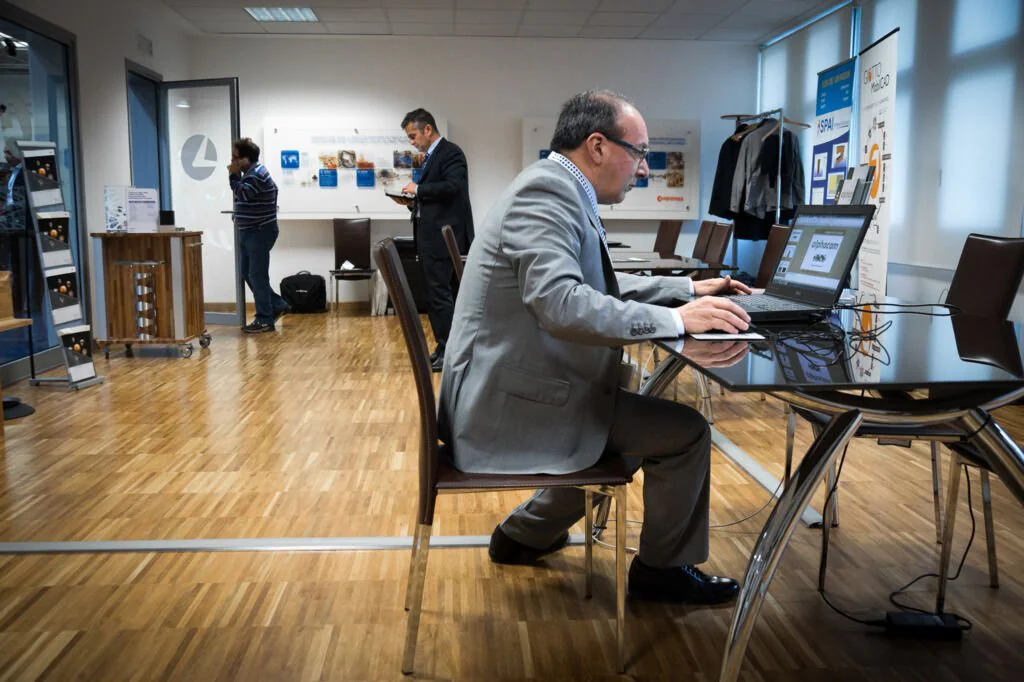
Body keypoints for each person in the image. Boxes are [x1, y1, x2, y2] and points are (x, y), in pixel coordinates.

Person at [438, 90, 753, 604]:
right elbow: (561, 303)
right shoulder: (547, 192)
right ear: (599, 146)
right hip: (500, 408)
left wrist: (687, 290)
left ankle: (525, 533)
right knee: (684, 432)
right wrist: (676, 319)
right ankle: (661, 574)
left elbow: (593, 284)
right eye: (640, 153)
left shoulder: (557, 187)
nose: (644, 169)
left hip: (506, 389)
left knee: (631, 426)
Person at [400, 108, 474, 372]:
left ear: (428, 130)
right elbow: (440, 198)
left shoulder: (450, 152)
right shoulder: (432, 156)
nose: (412, 142)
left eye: (413, 136)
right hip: (432, 237)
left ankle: (449, 350)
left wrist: (419, 189)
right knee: (437, 295)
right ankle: (445, 348)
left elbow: (454, 187)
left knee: (441, 296)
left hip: (444, 239)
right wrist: (413, 201)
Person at [228, 137, 289, 334]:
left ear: (246, 159)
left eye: (236, 158)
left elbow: (243, 194)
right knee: (248, 272)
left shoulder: (256, 175)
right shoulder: (253, 173)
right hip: (250, 231)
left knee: (257, 275)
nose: (232, 162)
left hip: (259, 231)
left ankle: (264, 319)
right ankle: (276, 304)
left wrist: (233, 176)